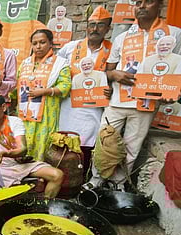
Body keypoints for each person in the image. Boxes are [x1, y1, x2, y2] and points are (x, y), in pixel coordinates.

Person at [88, 0, 181, 188]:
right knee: (104, 140)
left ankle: (118, 184)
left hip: (146, 103)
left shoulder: (175, 34)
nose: (142, 6)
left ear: (160, 5)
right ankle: (95, 181)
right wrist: (114, 74)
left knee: (132, 146)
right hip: (117, 101)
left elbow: (177, 69)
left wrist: (172, 92)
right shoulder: (122, 37)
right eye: (138, 2)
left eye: (148, 2)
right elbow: (108, 70)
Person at [0, 91, 63, 198]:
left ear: (3, 107)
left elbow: (23, 150)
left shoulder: (15, 122)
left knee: (57, 175)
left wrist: (4, 153)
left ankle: (43, 207)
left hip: (17, 165)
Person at [58, 6, 112, 178]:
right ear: (86, 26)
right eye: (92, 24)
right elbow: (56, 69)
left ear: (108, 28)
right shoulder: (70, 47)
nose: (95, 29)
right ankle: (63, 178)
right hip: (69, 104)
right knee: (65, 139)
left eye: (100, 25)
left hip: (94, 107)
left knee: (88, 140)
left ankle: (82, 180)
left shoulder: (112, 50)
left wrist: (111, 89)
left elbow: (115, 77)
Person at [17, 28, 71, 161]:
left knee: (43, 146)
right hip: (24, 114)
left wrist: (45, 91)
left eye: (42, 42)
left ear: (50, 43)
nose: (38, 46)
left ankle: (42, 177)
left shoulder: (59, 63)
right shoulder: (25, 63)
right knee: (23, 145)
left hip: (46, 114)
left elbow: (65, 86)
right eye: (34, 43)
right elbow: (16, 85)